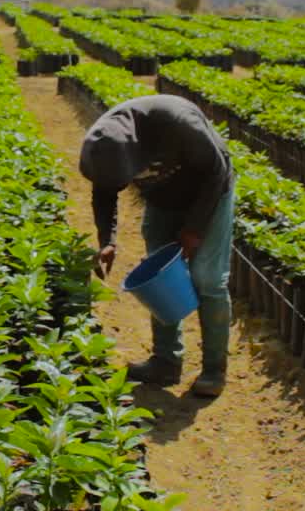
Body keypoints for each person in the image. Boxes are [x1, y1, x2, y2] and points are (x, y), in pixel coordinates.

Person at [79, 94, 236, 397]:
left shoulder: (177, 123)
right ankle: (166, 361)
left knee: (207, 277)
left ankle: (214, 370)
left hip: (210, 193)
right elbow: (104, 191)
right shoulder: (102, 145)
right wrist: (107, 240)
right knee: (158, 274)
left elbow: (215, 172)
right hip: (163, 199)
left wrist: (193, 230)